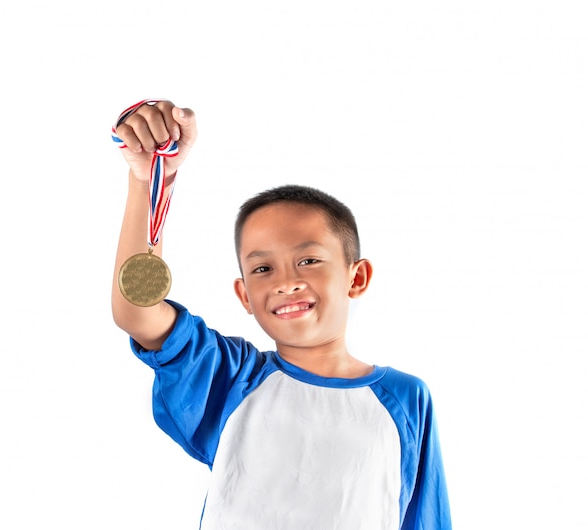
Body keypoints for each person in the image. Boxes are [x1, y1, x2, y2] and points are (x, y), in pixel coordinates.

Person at [111, 99, 452, 529]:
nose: (285, 281)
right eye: (262, 268)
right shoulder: (230, 380)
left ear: (357, 277)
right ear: (245, 296)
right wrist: (148, 182)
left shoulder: (405, 400)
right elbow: (138, 311)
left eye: (308, 261)